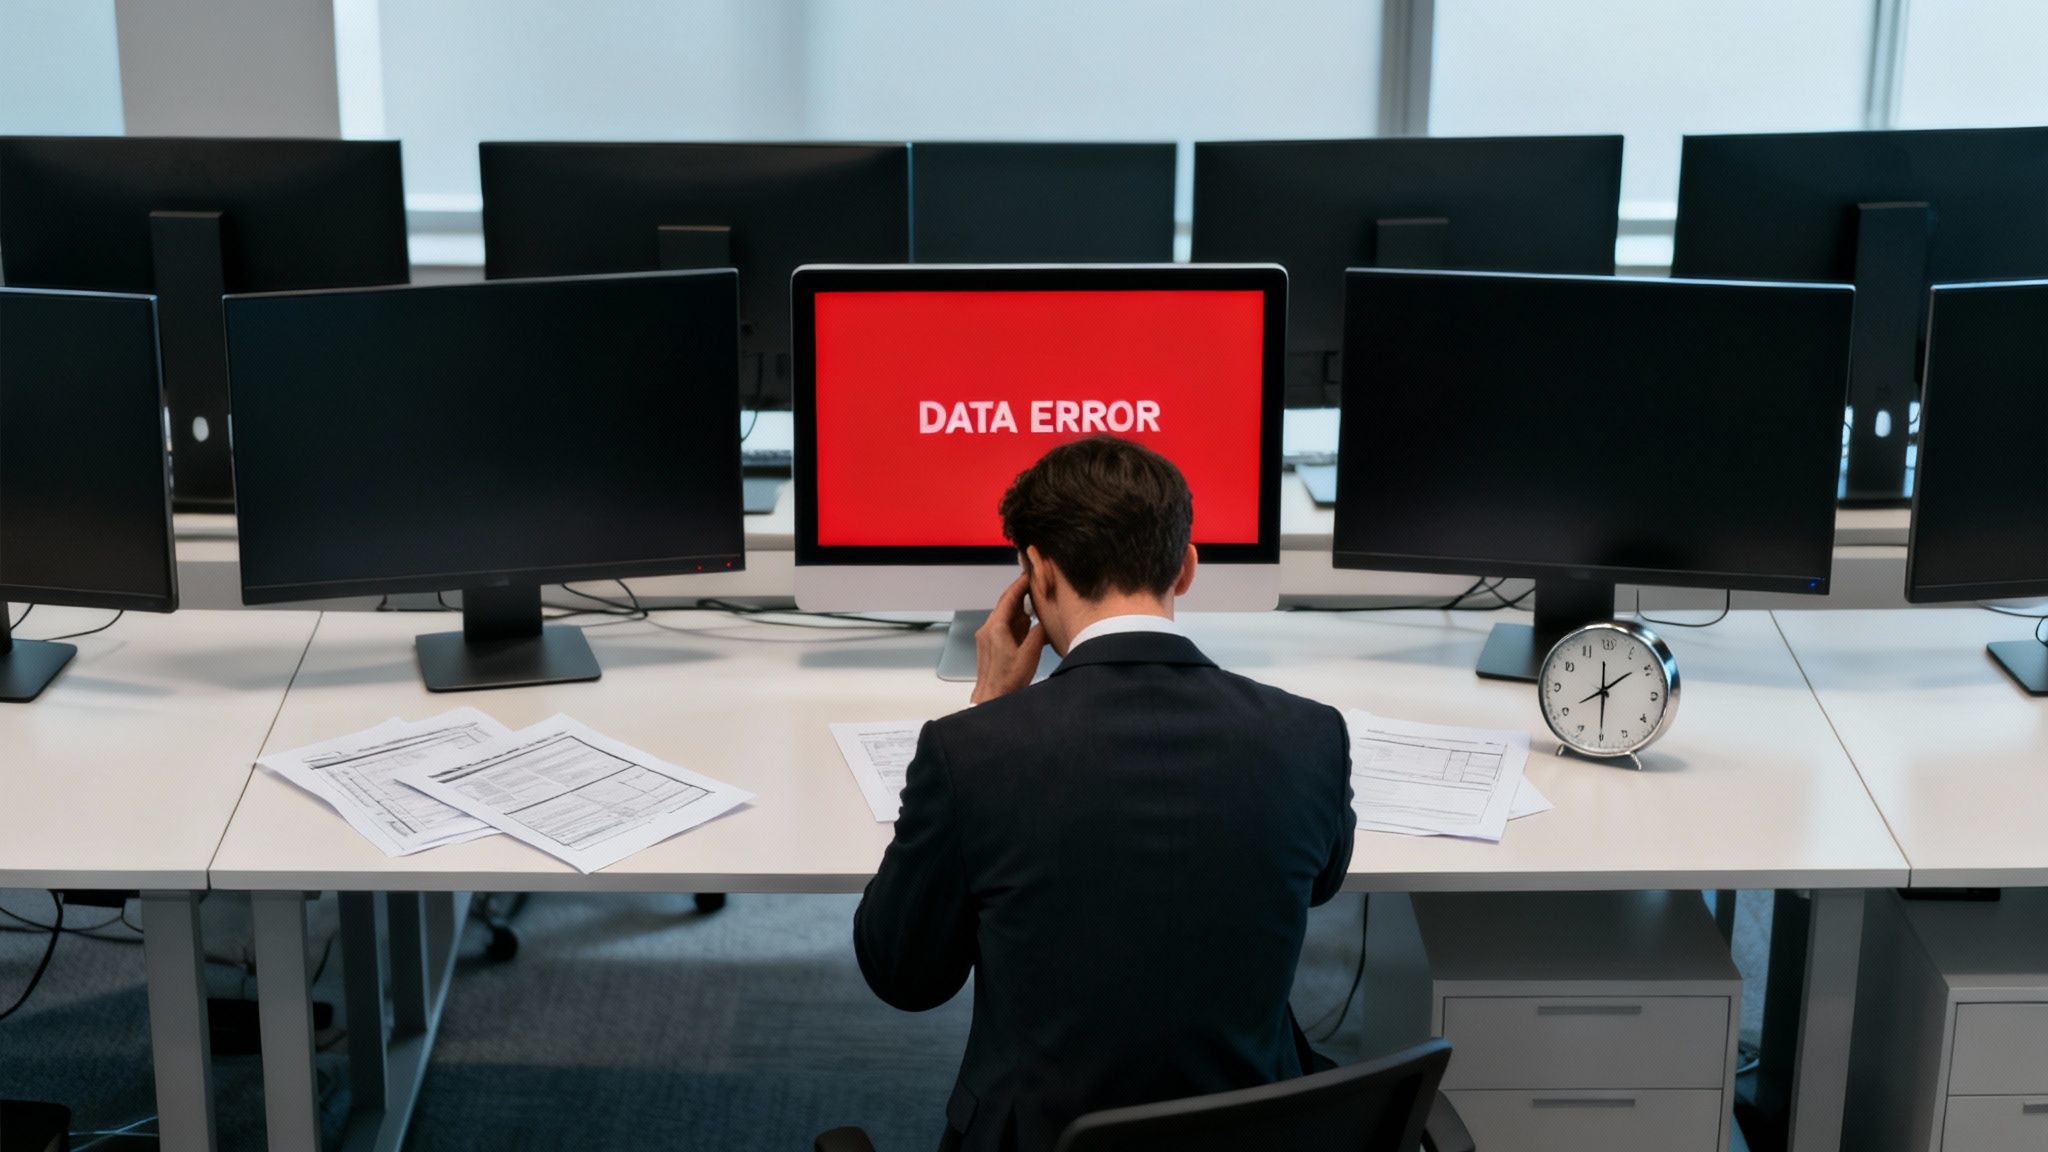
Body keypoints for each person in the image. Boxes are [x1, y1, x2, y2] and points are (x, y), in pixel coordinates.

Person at [852, 436, 1356, 1152]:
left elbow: (903, 973)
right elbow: (1320, 883)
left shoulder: (972, 752)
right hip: (1255, 1135)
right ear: (1185, 567)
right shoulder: (1312, 736)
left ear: (1039, 575)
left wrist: (985, 714)